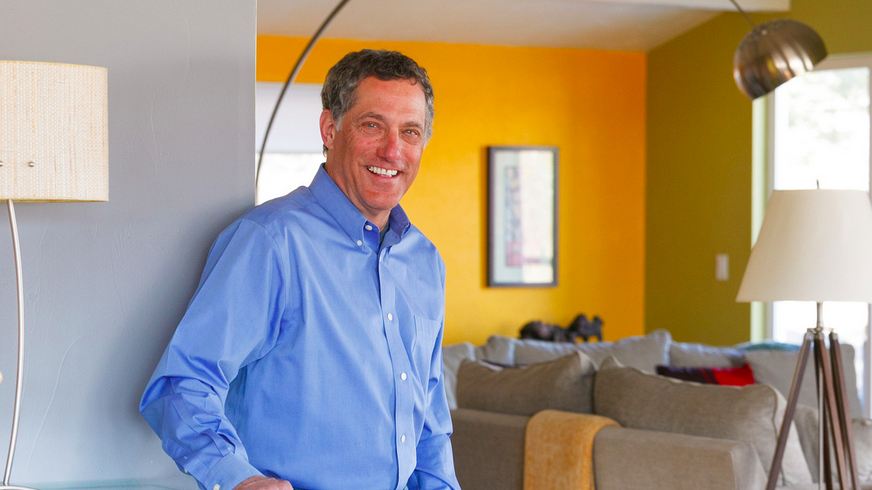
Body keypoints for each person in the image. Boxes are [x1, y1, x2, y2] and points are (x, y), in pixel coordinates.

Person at [139, 49, 461, 490]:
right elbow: (182, 384)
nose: (393, 150)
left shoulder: (425, 261)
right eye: (372, 125)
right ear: (330, 129)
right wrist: (237, 478)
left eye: (410, 131)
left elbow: (428, 418)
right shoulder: (270, 242)